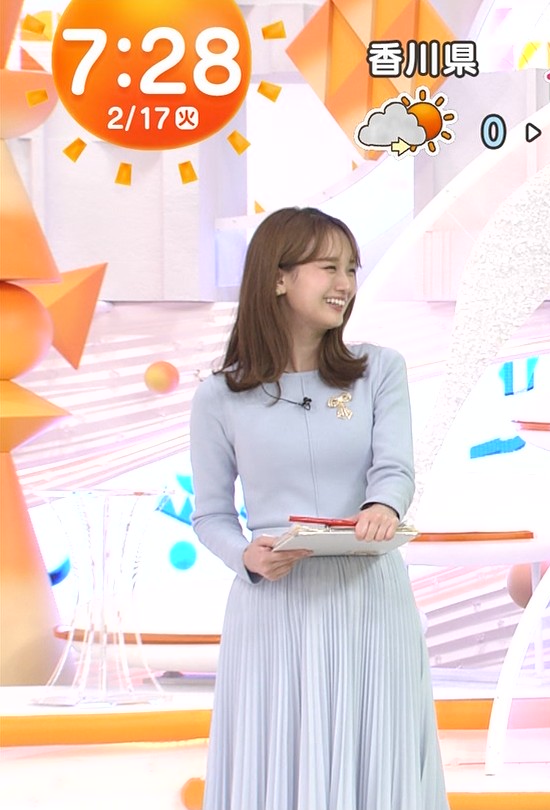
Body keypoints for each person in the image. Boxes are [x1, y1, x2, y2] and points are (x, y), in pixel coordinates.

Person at [189, 207, 448, 809]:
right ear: (279, 278)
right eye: (329, 267)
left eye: (352, 269)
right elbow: (211, 514)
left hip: (368, 595)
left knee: (376, 751)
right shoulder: (219, 396)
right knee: (278, 754)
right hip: (275, 601)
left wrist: (383, 506)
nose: (345, 284)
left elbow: (394, 468)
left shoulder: (380, 370)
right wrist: (246, 557)